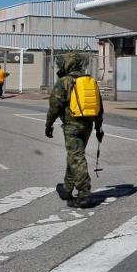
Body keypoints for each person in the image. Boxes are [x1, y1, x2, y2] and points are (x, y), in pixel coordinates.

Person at [45, 53, 104, 208]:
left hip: (72, 126)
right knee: (75, 156)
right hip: (88, 125)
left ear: (68, 64)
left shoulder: (65, 82)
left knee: (76, 157)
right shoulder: (90, 81)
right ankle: (66, 188)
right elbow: (99, 107)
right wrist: (99, 128)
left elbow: (54, 107)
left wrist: (48, 125)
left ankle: (84, 194)